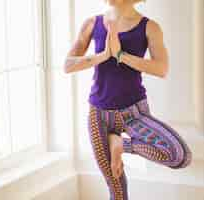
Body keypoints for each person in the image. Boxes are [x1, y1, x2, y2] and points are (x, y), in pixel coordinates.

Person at [63, 0, 192, 199]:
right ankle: (117, 144)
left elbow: (161, 68)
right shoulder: (92, 23)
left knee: (179, 155)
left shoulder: (149, 27)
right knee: (117, 191)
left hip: (134, 113)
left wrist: (120, 55)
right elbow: (68, 65)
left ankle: (121, 144)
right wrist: (104, 55)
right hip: (99, 115)